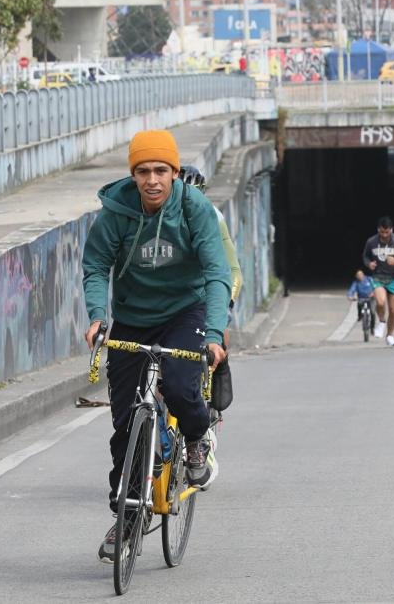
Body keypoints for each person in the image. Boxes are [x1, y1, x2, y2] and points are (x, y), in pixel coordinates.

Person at [82, 129, 230, 563]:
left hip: (186, 314)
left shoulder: (194, 208)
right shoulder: (117, 211)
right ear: (133, 175)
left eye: (161, 171)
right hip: (132, 318)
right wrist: (96, 315)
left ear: (175, 172)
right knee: (125, 424)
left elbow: (217, 272)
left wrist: (216, 335)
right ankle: (126, 519)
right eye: (143, 171)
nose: (152, 180)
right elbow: (95, 265)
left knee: (183, 389)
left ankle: (198, 436)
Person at [179, 165, 240, 396]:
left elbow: (232, 270)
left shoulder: (213, 217)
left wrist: (224, 306)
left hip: (209, 291)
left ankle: (216, 388)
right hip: (179, 295)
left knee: (219, 332)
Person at [361, 216, 394, 346]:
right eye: (381, 232)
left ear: (391, 230)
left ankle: (390, 335)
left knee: (393, 310)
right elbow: (365, 256)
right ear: (378, 230)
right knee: (381, 302)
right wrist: (369, 264)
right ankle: (381, 321)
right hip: (378, 277)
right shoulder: (371, 242)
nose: (384, 235)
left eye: (386, 232)